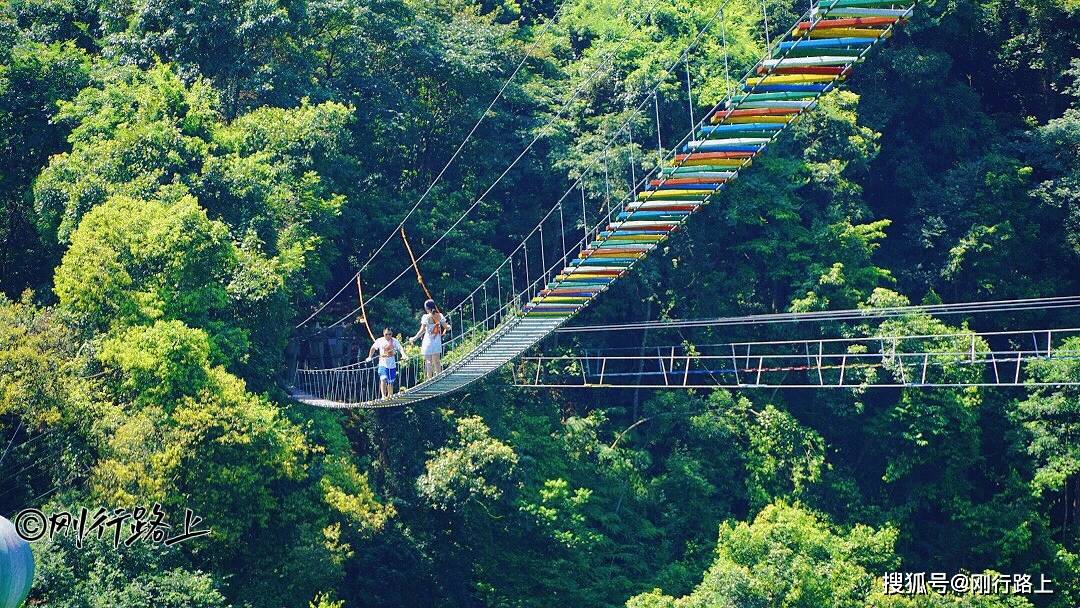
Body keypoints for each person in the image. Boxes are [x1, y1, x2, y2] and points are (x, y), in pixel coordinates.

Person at [409, 299, 451, 379]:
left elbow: (422, 330)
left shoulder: (425, 317)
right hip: (436, 341)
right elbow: (446, 327)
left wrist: (414, 338)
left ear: (426, 308)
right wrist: (449, 326)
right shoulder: (440, 316)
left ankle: (430, 380)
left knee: (428, 362)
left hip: (428, 341)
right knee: (437, 361)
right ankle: (439, 378)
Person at [366, 328, 405, 399]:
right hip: (382, 364)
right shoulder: (380, 340)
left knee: (390, 382)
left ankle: (390, 395)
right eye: (386, 334)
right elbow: (373, 348)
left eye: (389, 334)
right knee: (383, 378)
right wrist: (369, 357)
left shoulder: (394, 341)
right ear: (383, 334)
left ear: (391, 334)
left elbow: (400, 348)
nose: (388, 336)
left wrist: (403, 355)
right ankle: (383, 396)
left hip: (392, 365)